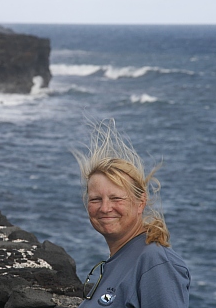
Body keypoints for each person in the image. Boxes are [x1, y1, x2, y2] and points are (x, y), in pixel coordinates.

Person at [73, 119, 190, 308]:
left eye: (116, 198)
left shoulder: (155, 263)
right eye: (96, 199)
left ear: (140, 203)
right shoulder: (120, 259)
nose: (104, 208)